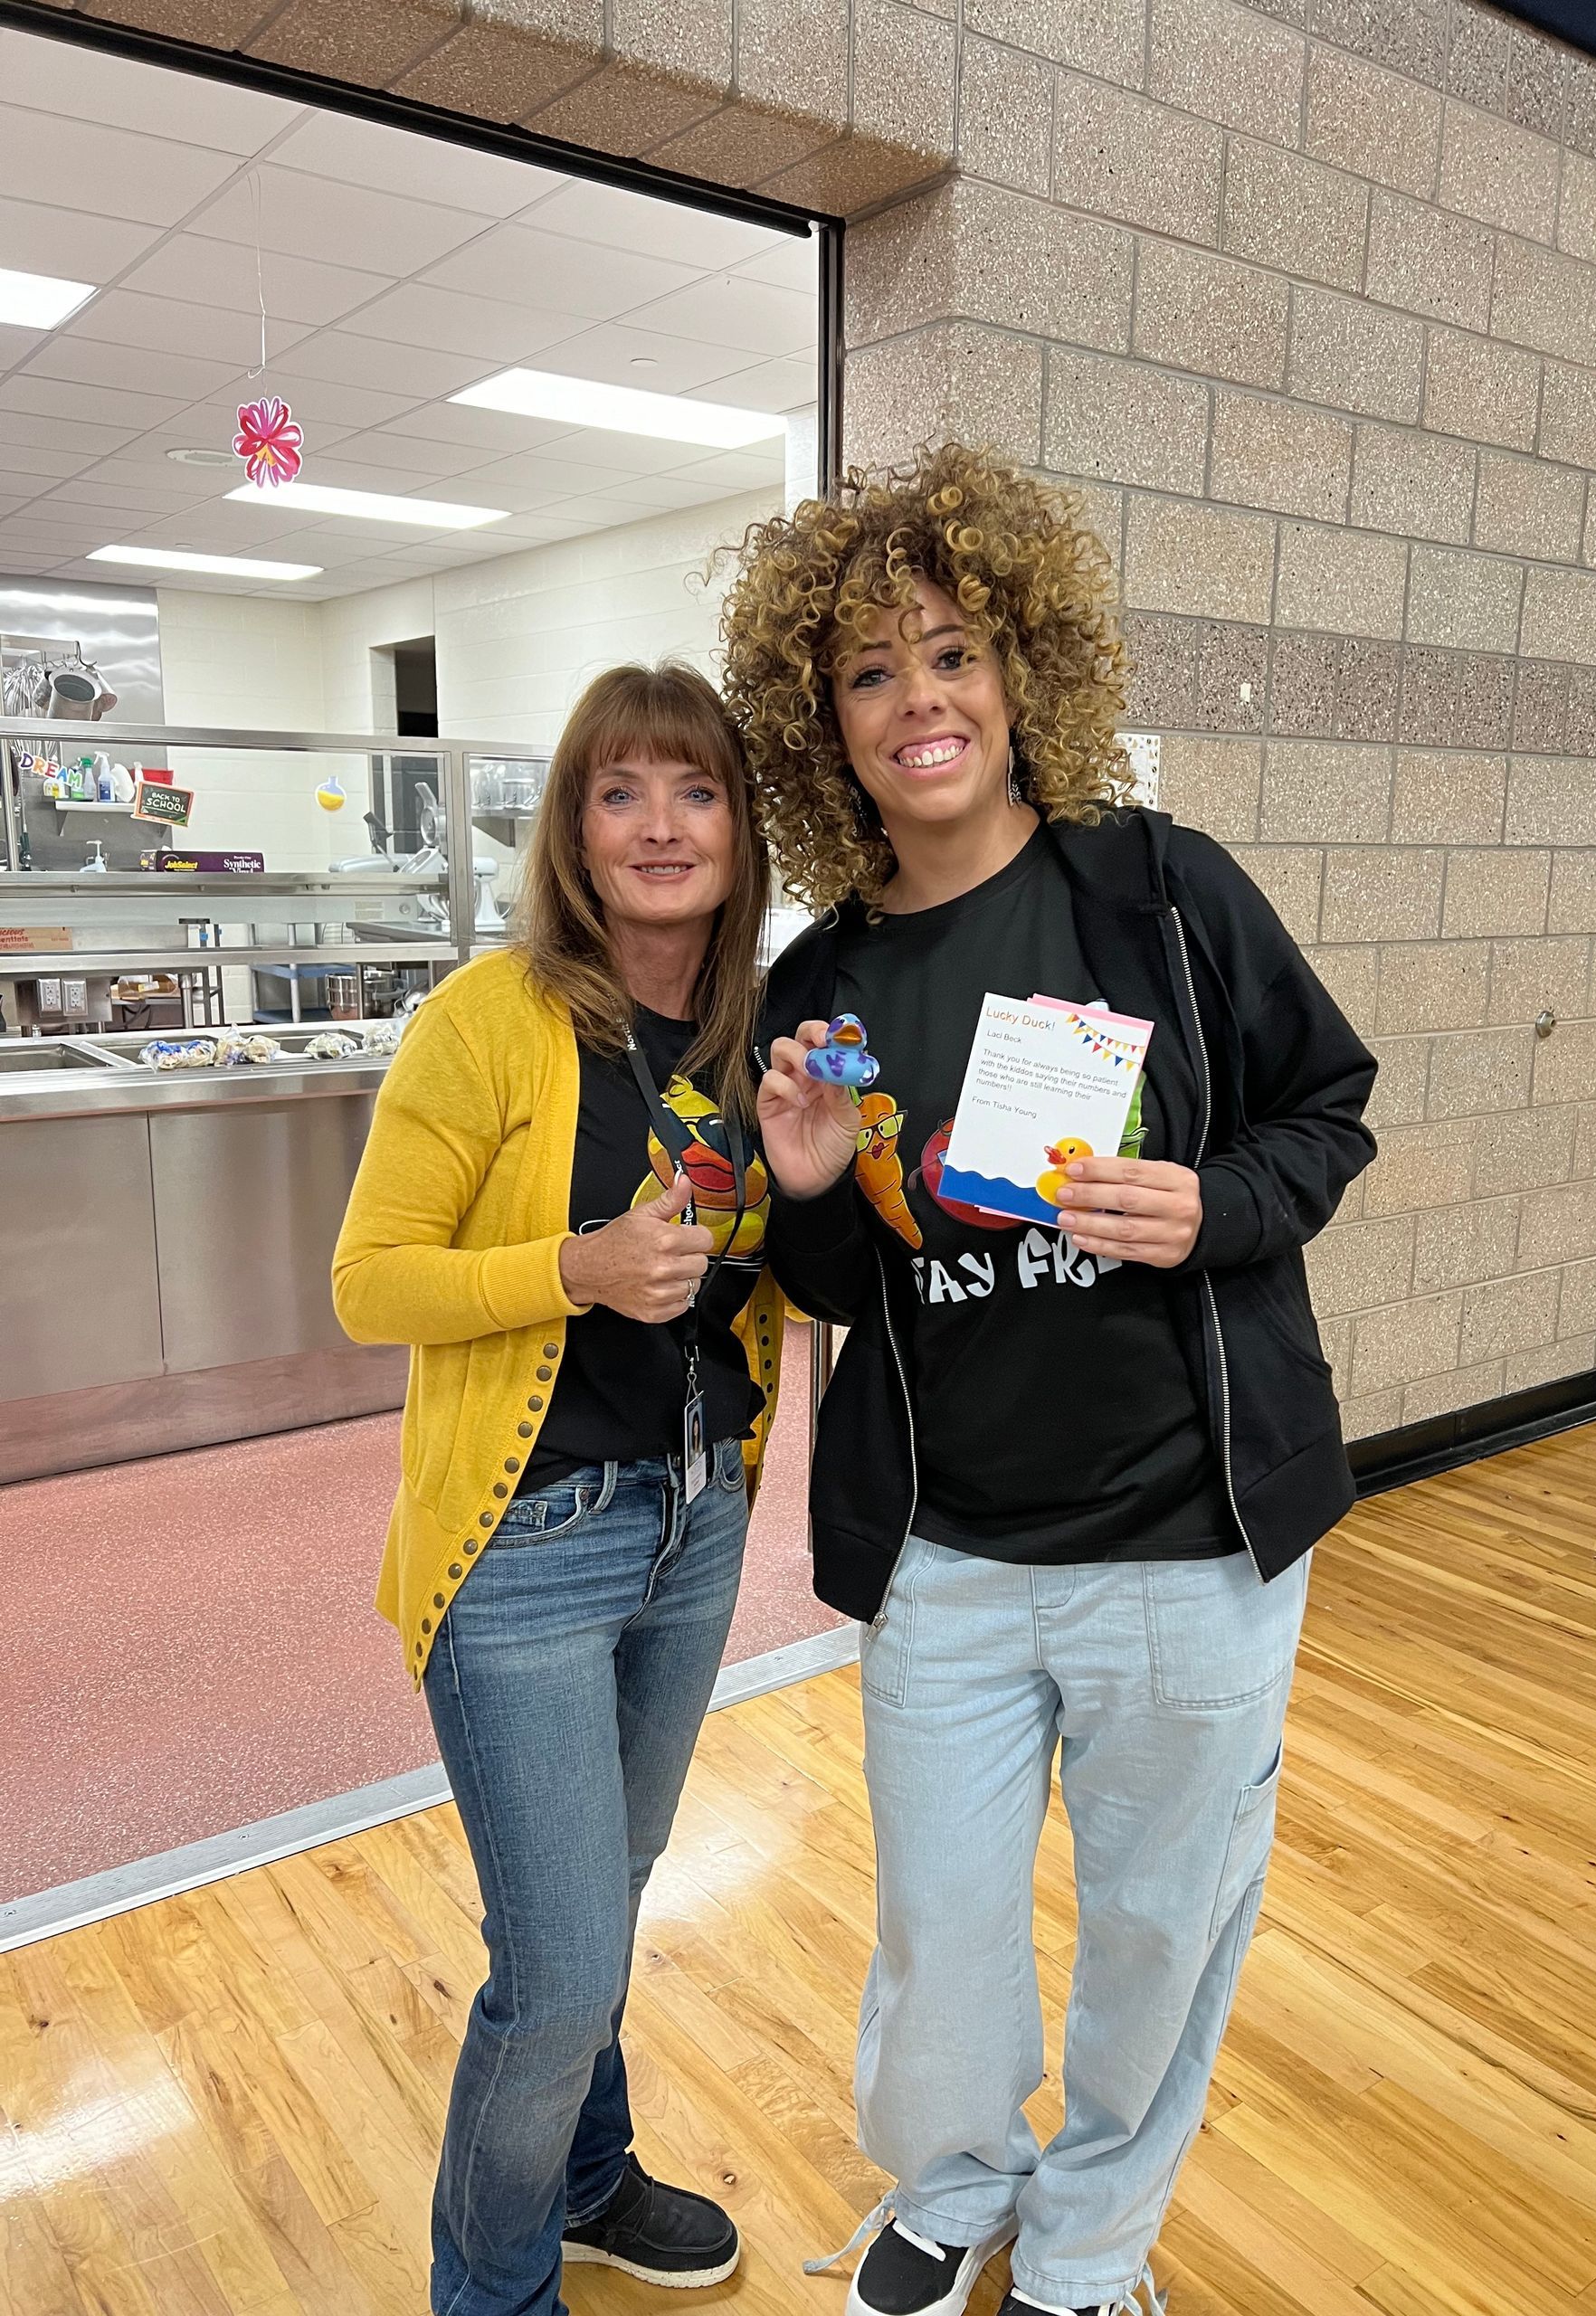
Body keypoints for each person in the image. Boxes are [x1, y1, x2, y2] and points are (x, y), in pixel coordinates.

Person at [720, 446, 1377, 2316]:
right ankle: (952, 2186)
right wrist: (810, 1186)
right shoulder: (821, 978)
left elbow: (1328, 1112)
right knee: (940, 1937)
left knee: (1164, 1928)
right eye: (869, 671)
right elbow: (842, 1288)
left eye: (951, 652)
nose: (919, 700)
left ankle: (1091, 2245)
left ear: (1021, 674)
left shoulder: (1159, 894)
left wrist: (1216, 1202)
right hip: (951, 1553)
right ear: (819, 720)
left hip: (1191, 1539)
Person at [332, 661, 783, 2316]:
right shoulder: (490, 1017)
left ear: (741, 828)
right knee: (561, 1963)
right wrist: (573, 1269)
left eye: (697, 792)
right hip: (526, 1547)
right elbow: (368, 1282)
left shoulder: (755, 1036)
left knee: (613, 1896)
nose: (661, 827)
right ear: (574, 833)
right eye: (620, 793)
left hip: (697, 1521)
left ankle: (587, 2183)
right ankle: (494, 2286)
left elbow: (777, 1265)